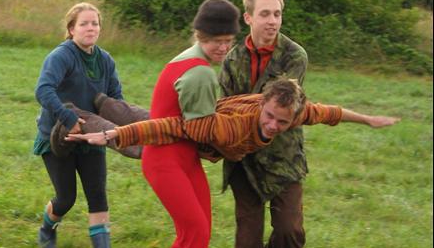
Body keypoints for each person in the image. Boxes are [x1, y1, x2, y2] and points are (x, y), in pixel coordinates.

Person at [120, 0, 242, 248]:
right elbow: (203, 130)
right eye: (217, 41)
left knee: (200, 227)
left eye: (229, 41)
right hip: (165, 160)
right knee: (195, 231)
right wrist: (236, 138)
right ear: (200, 35)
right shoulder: (199, 73)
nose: (223, 48)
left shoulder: (191, 60)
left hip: (183, 157)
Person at [218, 0, 309, 248]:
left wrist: (245, 112)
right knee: (247, 243)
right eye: (265, 14)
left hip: (284, 157)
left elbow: (278, 104)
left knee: (290, 232)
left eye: (277, 14)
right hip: (244, 160)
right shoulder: (232, 60)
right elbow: (225, 108)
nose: (272, 21)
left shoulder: (295, 56)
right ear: (248, 18)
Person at [67, 78, 400, 162]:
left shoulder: (295, 111)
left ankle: (96, 97)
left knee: (140, 115)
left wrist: (368, 119)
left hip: (195, 120)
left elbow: (331, 113)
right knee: (137, 142)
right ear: (263, 103)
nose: (273, 126)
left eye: (282, 123)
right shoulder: (233, 127)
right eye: (269, 117)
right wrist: (110, 137)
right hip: (193, 135)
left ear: (294, 117)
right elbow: (171, 128)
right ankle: (74, 111)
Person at [33, 2, 129, 248]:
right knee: (66, 198)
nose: (90, 28)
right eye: (84, 23)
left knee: (97, 193)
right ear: (71, 29)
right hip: (58, 137)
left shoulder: (105, 60)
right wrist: (69, 119)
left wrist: (120, 125)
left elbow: (115, 98)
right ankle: (47, 230)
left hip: (92, 138)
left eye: (95, 23)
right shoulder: (61, 56)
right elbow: (43, 90)